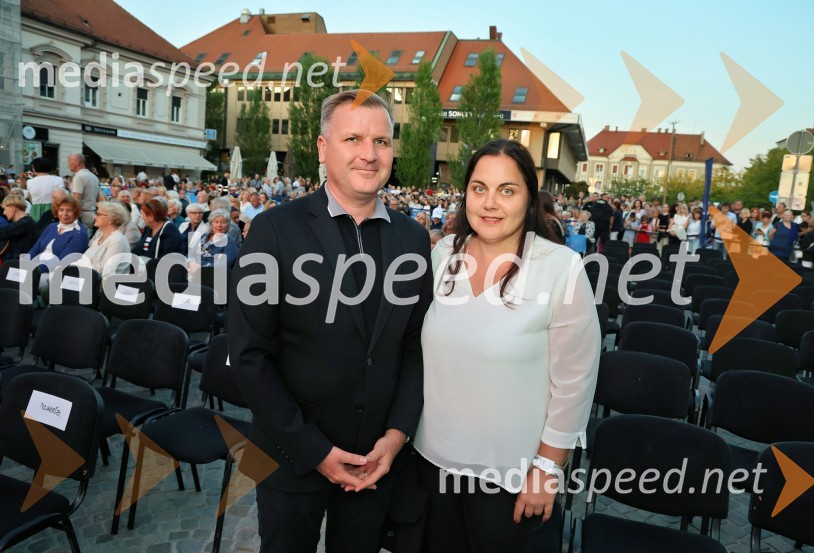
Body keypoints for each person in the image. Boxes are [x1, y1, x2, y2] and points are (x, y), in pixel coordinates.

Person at [228, 90, 433, 553]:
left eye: (381, 141)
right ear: (324, 149)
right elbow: (248, 354)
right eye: (353, 138)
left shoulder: (414, 239)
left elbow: (416, 347)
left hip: (375, 460)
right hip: (290, 455)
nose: (369, 154)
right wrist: (315, 451)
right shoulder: (274, 230)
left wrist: (397, 436)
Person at [415, 139, 600, 553]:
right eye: (479, 188)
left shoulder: (560, 268)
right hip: (430, 461)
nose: (490, 203)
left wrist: (547, 470)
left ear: (528, 198)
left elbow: (575, 383)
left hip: (510, 475)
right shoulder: (444, 254)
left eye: (507, 190)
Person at [27, 196, 88, 287]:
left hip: (56, 273)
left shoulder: (79, 233)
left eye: (69, 210)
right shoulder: (51, 226)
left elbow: (61, 261)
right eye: (61, 210)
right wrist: (26, 264)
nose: (64, 214)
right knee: (10, 275)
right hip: (36, 266)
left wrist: (34, 270)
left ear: (76, 212)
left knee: (24, 281)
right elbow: (35, 249)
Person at [73, 202, 132, 277]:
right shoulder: (100, 236)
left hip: (108, 285)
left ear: (111, 219)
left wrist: (78, 268)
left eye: (98, 214)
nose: (94, 217)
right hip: (90, 279)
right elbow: (85, 259)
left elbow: (106, 269)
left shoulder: (118, 240)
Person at [66, 153, 102, 229]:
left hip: (82, 215)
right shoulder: (94, 176)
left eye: (69, 161)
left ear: (76, 162)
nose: (67, 164)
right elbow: (98, 198)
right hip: (92, 213)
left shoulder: (78, 177)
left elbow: (76, 199)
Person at [0, 195, 37, 263]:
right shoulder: (25, 222)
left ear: (13, 208)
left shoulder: (26, 223)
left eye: (5, 209)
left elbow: (4, 232)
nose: (4, 213)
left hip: (18, 266)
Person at [26, 157, 64, 222]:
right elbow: (62, 197)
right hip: (54, 209)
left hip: (36, 210)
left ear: (34, 167)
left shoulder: (29, 182)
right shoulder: (58, 179)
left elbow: (31, 198)